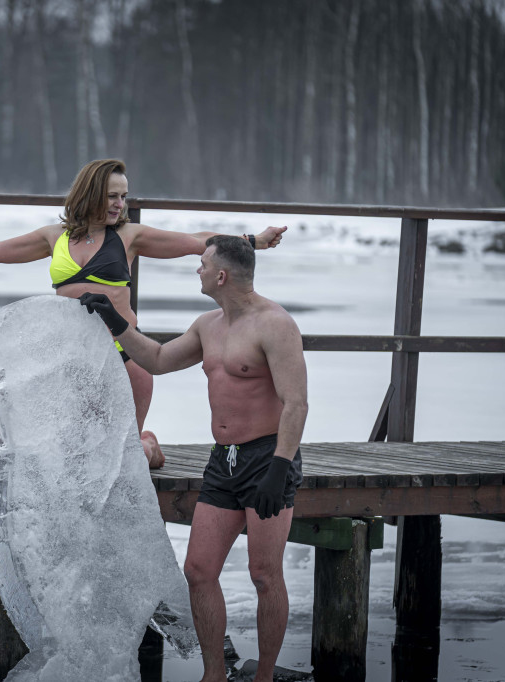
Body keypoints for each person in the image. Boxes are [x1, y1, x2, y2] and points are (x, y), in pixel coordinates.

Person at [0, 158, 286, 469]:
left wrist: (252, 240)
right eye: (111, 196)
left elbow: (194, 241)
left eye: (123, 196)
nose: (119, 204)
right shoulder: (53, 238)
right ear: (90, 194)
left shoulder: (129, 237)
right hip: (71, 362)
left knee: (122, 460)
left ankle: (147, 446)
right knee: (73, 457)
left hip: (125, 359)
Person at [80, 234, 307, 682]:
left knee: (264, 574)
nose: (197, 270)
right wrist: (115, 323)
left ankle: (264, 676)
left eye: (202, 264)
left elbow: (296, 403)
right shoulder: (208, 324)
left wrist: (280, 466)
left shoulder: (275, 325)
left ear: (221, 275)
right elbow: (161, 359)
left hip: (268, 458)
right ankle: (214, 674)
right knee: (199, 570)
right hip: (224, 460)